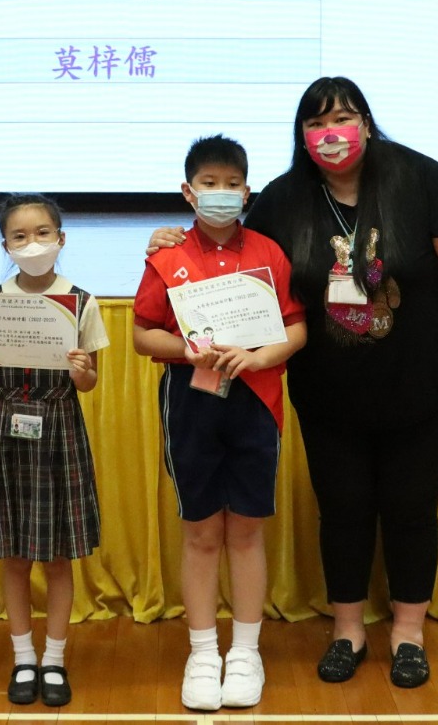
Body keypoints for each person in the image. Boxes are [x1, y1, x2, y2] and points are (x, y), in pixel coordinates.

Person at [156, 77, 438, 689]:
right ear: (302, 136)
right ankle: (347, 631)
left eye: (342, 118)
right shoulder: (284, 200)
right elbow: (233, 260)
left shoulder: (420, 178)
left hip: (419, 387)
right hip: (327, 393)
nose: (330, 134)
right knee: (342, 510)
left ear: (366, 123)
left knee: (412, 510)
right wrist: (170, 238)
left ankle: (409, 634)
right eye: (316, 124)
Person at [132, 136, 307, 712]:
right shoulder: (167, 257)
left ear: (247, 192)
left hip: (256, 401)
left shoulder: (269, 253)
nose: (221, 193)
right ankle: (204, 653)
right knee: (202, 534)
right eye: (210, 184)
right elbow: (142, 335)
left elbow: (296, 327)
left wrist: (259, 357)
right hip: (191, 403)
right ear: (189, 191)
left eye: (232, 184)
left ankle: (247, 652)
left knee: (248, 532)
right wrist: (188, 350)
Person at [0, 194, 107, 708]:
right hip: (8, 427)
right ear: (6, 246)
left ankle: (55, 659)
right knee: (15, 554)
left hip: (60, 426)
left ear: (61, 239)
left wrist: (83, 374)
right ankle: (23, 657)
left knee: (59, 557)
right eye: (19, 236)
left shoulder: (81, 301)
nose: (32, 243)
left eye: (43, 233)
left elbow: (89, 382)